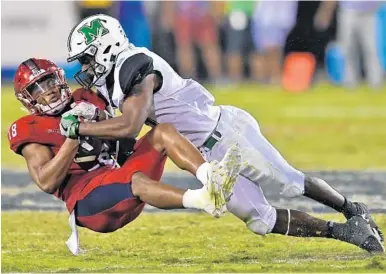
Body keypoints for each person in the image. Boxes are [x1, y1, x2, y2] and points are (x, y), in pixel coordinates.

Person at [64, 14, 384, 253]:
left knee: (288, 180)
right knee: (260, 219)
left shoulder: (134, 64)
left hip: (226, 133)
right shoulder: (112, 80)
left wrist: (82, 128)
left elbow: (130, 126)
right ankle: (343, 232)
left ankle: (351, 209)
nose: (88, 68)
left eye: (89, 58)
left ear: (106, 47)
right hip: (205, 153)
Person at [8, 58, 242, 255]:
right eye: (37, 87)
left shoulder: (86, 98)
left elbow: (125, 147)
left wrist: (99, 118)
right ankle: (204, 199)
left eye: (49, 81)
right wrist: (74, 135)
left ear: (59, 79)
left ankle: (212, 178)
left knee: (162, 132)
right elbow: (46, 182)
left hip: (117, 177)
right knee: (137, 181)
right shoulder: (32, 128)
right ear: (28, 99)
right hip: (88, 202)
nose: (47, 89)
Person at [314, 1, 384, 88]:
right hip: (349, 11)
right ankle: (350, 83)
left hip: (370, 12)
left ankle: (376, 83)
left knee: (372, 49)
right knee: (347, 48)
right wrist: (325, 13)